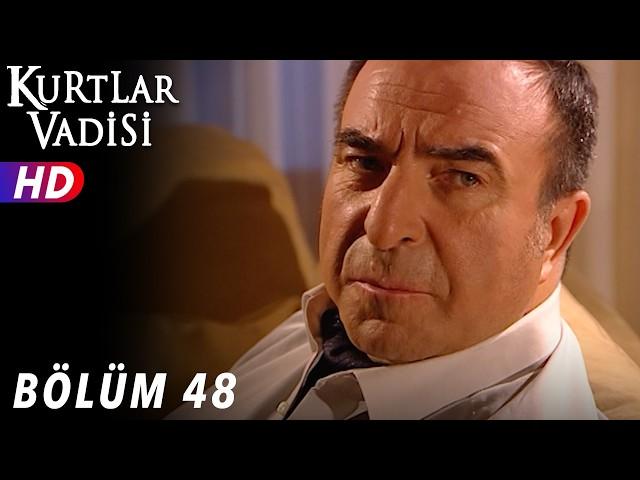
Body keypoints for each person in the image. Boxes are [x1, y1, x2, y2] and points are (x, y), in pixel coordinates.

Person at [170, 60, 604, 420]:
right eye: (365, 161)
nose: (382, 228)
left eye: (462, 178)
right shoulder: (321, 325)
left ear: (555, 232)